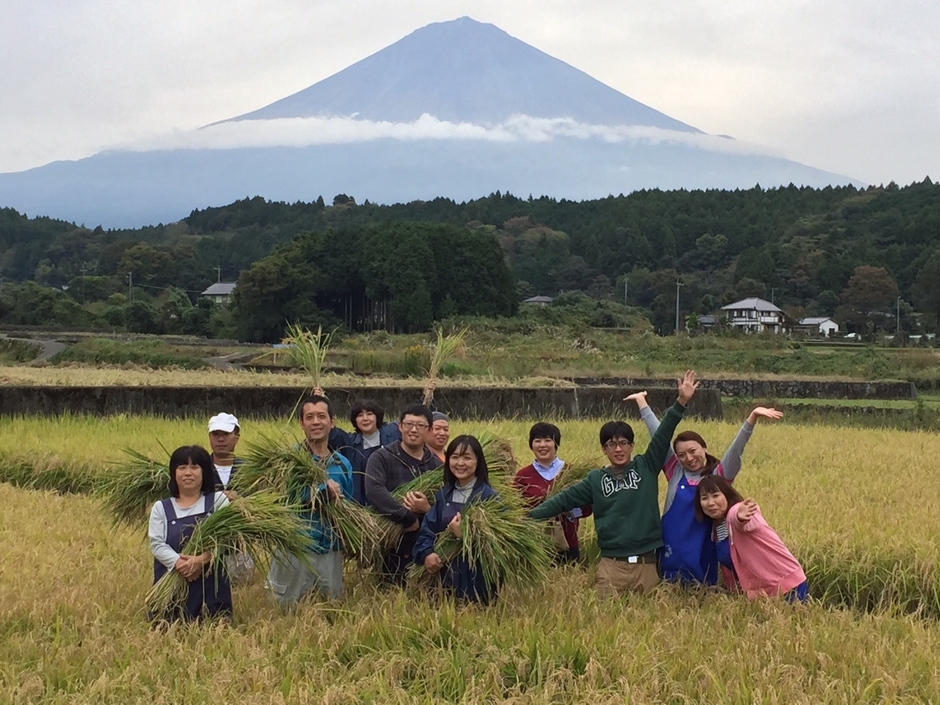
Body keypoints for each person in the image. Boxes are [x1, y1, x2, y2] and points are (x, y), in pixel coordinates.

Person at [529, 371, 699, 596]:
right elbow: (559, 502)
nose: (618, 449)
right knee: (604, 622)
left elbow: (664, 432)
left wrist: (682, 401)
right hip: (611, 567)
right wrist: (524, 519)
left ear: (631, 446)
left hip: (647, 565)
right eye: (611, 444)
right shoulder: (595, 480)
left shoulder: (646, 466)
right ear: (604, 449)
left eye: (623, 443)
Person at [626, 392, 783, 586]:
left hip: (703, 547)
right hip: (670, 545)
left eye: (693, 451)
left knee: (702, 594)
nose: (689, 458)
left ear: (704, 448)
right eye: (682, 455)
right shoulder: (675, 470)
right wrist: (642, 403)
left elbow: (736, 449)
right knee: (668, 591)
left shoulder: (719, 475)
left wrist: (752, 419)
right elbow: (659, 435)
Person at [267, 395, 353, 609]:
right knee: (285, 611)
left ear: (332, 422)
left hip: (330, 550)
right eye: (310, 417)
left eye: (322, 416)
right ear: (301, 423)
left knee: (329, 610)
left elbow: (349, 507)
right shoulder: (288, 461)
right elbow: (283, 500)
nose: (316, 422)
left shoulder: (342, 464)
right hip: (295, 548)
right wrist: (323, 493)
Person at [148, 445, 232, 622]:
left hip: (211, 590)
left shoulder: (218, 501)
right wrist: (180, 563)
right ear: (173, 473)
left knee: (214, 632)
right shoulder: (161, 508)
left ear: (205, 472)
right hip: (172, 589)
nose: (188, 472)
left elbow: (227, 538)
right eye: (182, 467)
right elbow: (157, 544)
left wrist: (201, 560)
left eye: (194, 467)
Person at [413, 435, 500, 603]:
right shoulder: (443, 495)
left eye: (467, 457)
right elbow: (427, 530)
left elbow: (499, 548)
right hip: (442, 583)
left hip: (476, 585)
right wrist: (427, 554)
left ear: (478, 461)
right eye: (455, 457)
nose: (460, 463)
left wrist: (465, 536)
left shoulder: (490, 499)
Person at [695, 474, 808, 602]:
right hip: (761, 593)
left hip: (786, 583)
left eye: (715, 496)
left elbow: (741, 521)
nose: (710, 503)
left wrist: (739, 517)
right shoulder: (715, 529)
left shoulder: (738, 512)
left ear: (727, 495)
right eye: (704, 498)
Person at [364, 404, 441, 585]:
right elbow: (374, 490)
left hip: (426, 547)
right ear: (400, 426)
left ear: (429, 430)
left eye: (420, 426)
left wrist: (427, 509)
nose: (413, 430)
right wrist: (406, 517)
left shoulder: (436, 467)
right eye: (408, 424)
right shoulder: (382, 457)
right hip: (391, 546)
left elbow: (445, 505)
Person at [512, 422, 592, 563]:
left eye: (548, 440)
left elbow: (587, 508)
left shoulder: (571, 472)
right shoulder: (523, 476)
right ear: (531, 445)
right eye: (537, 441)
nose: (542, 445)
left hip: (567, 544)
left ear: (556, 444)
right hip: (534, 546)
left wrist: (570, 512)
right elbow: (514, 510)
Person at [325, 398, 402, 505]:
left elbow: (416, 422)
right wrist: (323, 403)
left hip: (396, 500)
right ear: (355, 420)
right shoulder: (350, 442)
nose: (365, 418)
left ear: (377, 417)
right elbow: (331, 433)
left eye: (369, 414)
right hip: (364, 506)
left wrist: (427, 398)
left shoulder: (393, 432)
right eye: (360, 415)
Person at [207, 412, 243, 491]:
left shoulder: (247, 469)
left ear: (237, 437)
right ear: (209, 437)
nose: (220, 439)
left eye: (226, 434)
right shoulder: (200, 468)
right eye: (215, 434)